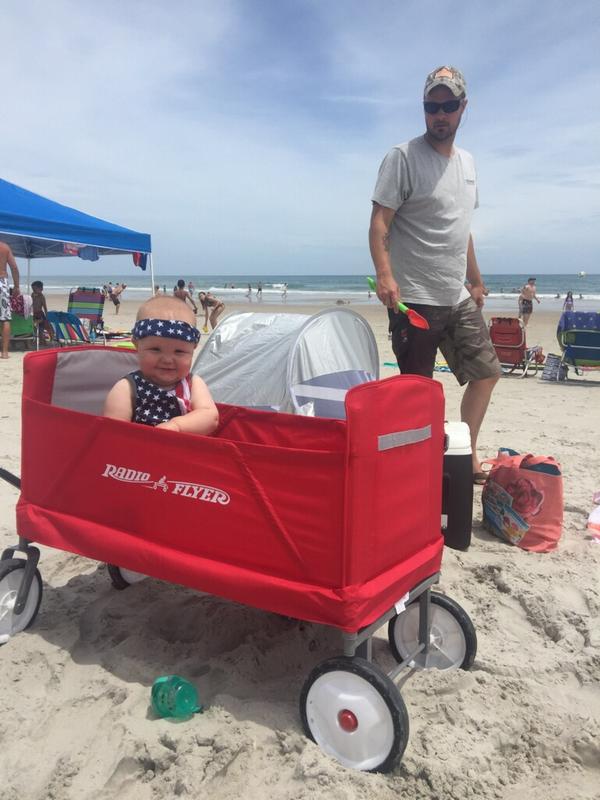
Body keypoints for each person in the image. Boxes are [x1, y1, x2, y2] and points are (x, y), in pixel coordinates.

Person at [368, 65, 500, 485]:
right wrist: (384, 276)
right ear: (423, 109)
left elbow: (461, 228)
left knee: (486, 373)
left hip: (455, 295)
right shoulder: (403, 158)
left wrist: (475, 280)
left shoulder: (469, 163)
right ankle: (415, 469)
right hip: (415, 297)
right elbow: (379, 224)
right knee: (417, 394)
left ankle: (467, 452)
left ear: (464, 108)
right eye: (431, 106)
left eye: (448, 105)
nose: (439, 114)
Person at [103, 295, 218, 433]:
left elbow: (210, 417)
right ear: (137, 345)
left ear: (193, 349)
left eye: (179, 351)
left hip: (185, 452)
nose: (167, 360)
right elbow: (112, 432)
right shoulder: (127, 388)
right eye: (155, 349)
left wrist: (177, 426)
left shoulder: (193, 384)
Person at [0, 241, 20, 359]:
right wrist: (16, 286)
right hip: (2, 282)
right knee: (5, 318)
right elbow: (14, 267)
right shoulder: (4, 247)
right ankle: (4, 352)